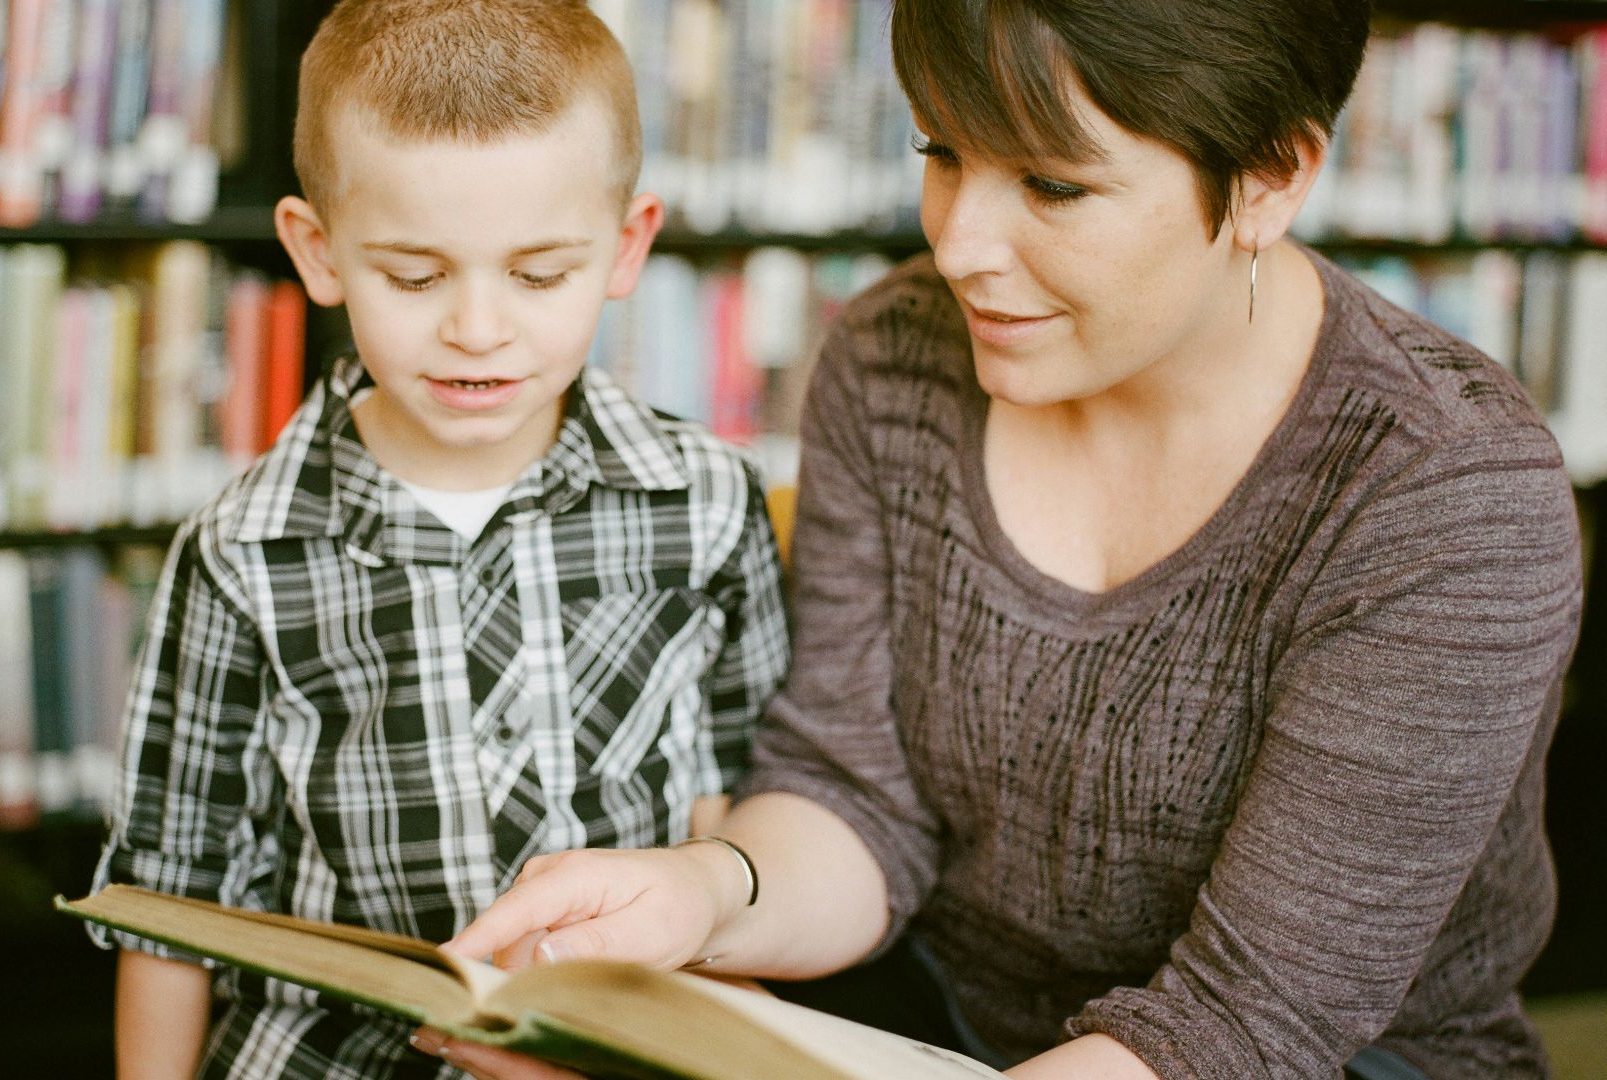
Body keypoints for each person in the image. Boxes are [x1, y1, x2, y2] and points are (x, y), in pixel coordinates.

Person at [428, 1, 1585, 1078]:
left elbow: (1245, 1024)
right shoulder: (893, 357)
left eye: (1052, 184)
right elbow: (854, 798)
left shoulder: (1442, 490)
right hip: (938, 1029)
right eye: (942, 153)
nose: (960, 244)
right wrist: (703, 895)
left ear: (1271, 179)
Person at [86, 2, 791, 1077]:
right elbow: (170, 898)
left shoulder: (705, 500)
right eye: (414, 277)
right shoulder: (244, 551)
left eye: (539, 273)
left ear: (627, 245)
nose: (477, 329)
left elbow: (745, 810)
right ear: (317, 254)